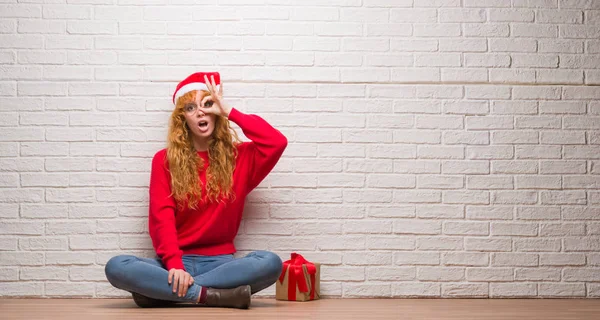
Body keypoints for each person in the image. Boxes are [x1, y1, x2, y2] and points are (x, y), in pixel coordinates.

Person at [104, 72, 288, 309]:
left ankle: (162, 293)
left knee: (270, 262)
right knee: (117, 266)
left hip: (221, 265)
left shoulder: (239, 158)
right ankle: (210, 296)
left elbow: (276, 142)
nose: (201, 112)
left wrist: (230, 111)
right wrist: (175, 265)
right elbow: (162, 218)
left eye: (207, 104)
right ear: (183, 119)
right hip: (171, 264)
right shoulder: (164, 161)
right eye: (191, 107)